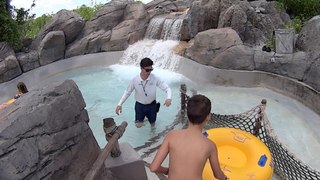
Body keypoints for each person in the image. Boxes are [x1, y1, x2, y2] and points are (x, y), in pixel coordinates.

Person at [150, 94, 228, 180]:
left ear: (187, 114)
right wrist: (225, 178)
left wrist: (167, 171)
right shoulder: (210, 145)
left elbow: (154, 167)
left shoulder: (171, 136)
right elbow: (218, 175)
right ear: (208, 117)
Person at [115, 57, 172, 128]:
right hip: (140, 106)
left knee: (153, 124)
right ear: (141, 68)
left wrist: (168, 98)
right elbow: (127, 92)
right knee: (138, 125)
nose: (149, 72)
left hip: (152, 105)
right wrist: (119, 104)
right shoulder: (135, 80)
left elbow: (167, 88)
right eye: (147, 70)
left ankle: (154, 112)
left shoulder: (155, 78)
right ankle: (145, 117)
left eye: (151, 69)